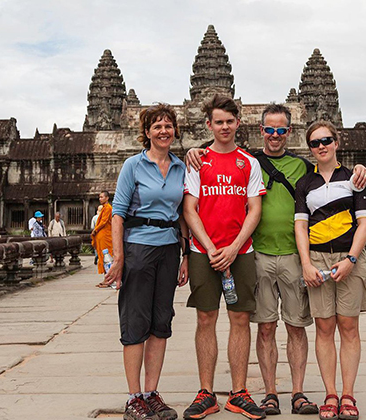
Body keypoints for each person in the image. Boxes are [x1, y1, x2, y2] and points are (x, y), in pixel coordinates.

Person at [185, 104, 366, 416]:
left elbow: (331, 178)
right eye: (269, 130)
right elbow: (220, 154)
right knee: (265, 327)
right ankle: (270, 392)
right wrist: (194, 149)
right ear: (260, 131)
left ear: (290, 133)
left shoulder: (302, 168)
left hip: (296, 257)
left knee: (297, 326)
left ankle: (298, 392)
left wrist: (359, 169)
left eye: (281, 130)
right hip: (257, 255)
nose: (274, 135)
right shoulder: (249, 161)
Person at [103, 103, 189, 420]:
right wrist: (119, 259)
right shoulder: (133, 166)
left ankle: (152, 393)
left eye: (168, 125)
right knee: (135, 322)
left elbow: (184, 215)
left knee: (160, 323)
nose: (163, 131)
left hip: (169, 248)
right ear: (147, 132)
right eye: (157, 126)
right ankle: (133, 397)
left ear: (174, 130)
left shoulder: (181, 168)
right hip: (138, 246)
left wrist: (186, 256)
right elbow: (118, 214)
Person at [182, 94, 266, 420]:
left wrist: (233, 248)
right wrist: (211, 247)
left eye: (230, 121)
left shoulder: (249, 162)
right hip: (204, 250)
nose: (225, 126)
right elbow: (190, 209)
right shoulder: (198, 161)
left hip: (241, 250)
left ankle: (239, 392)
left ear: (238, 124)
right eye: (219, 121)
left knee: (240, 318)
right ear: (209, 125)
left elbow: (254, 209)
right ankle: (206, 392)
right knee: (205, 319)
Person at [294, 121, 366, 420]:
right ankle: (330, 393)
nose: (321, 146)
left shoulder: (354, 177)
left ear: (337, 142)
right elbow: (301, 225)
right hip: (318, 259)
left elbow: (363, 222)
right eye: (315, 143)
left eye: (326, 140)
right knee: (324, 328)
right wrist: (306, 263)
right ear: (310, 148)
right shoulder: (305, 183)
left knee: (349, 327)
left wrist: (351, 259)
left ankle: (348, 394)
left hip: (348, 257)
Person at [92, 191, 113, 284]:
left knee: (107, 257)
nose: (100, 199)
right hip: (102, 235)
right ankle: (106, 278)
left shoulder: (108, 208)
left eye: (102, 197)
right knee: (102, 257)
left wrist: (95, 230)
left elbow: (104, 222)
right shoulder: (104, 208)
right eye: (99, 197)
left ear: (107, 198)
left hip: (105, 235)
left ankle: (108, 279)